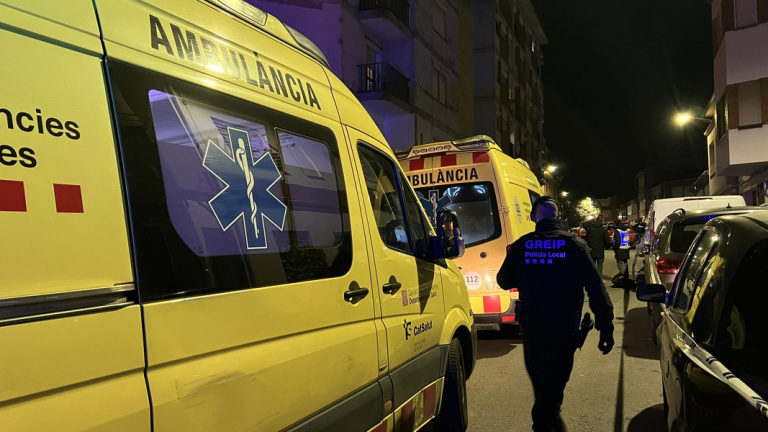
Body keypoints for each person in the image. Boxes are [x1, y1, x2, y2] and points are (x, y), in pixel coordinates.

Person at [497, 196, 614, 432]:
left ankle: (545, 424)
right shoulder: (575, 245)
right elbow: (596, 288)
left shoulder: (522, 245)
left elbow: (503, 281)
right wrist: (606, 327)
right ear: (558, 216)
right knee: (554, 387)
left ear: (533, 217)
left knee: (543, 387)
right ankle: (545, 425)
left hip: (533, 327)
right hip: (564, 327)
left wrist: (529, 274)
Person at [612, 219, 631, 287]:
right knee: (625, 265)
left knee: (621, 267)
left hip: (620, 250)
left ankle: (621, 280)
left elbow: (617, 242)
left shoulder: (617, 231)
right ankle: (625, 280)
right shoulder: (625, 231)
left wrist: (614, 248)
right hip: (626, 250)